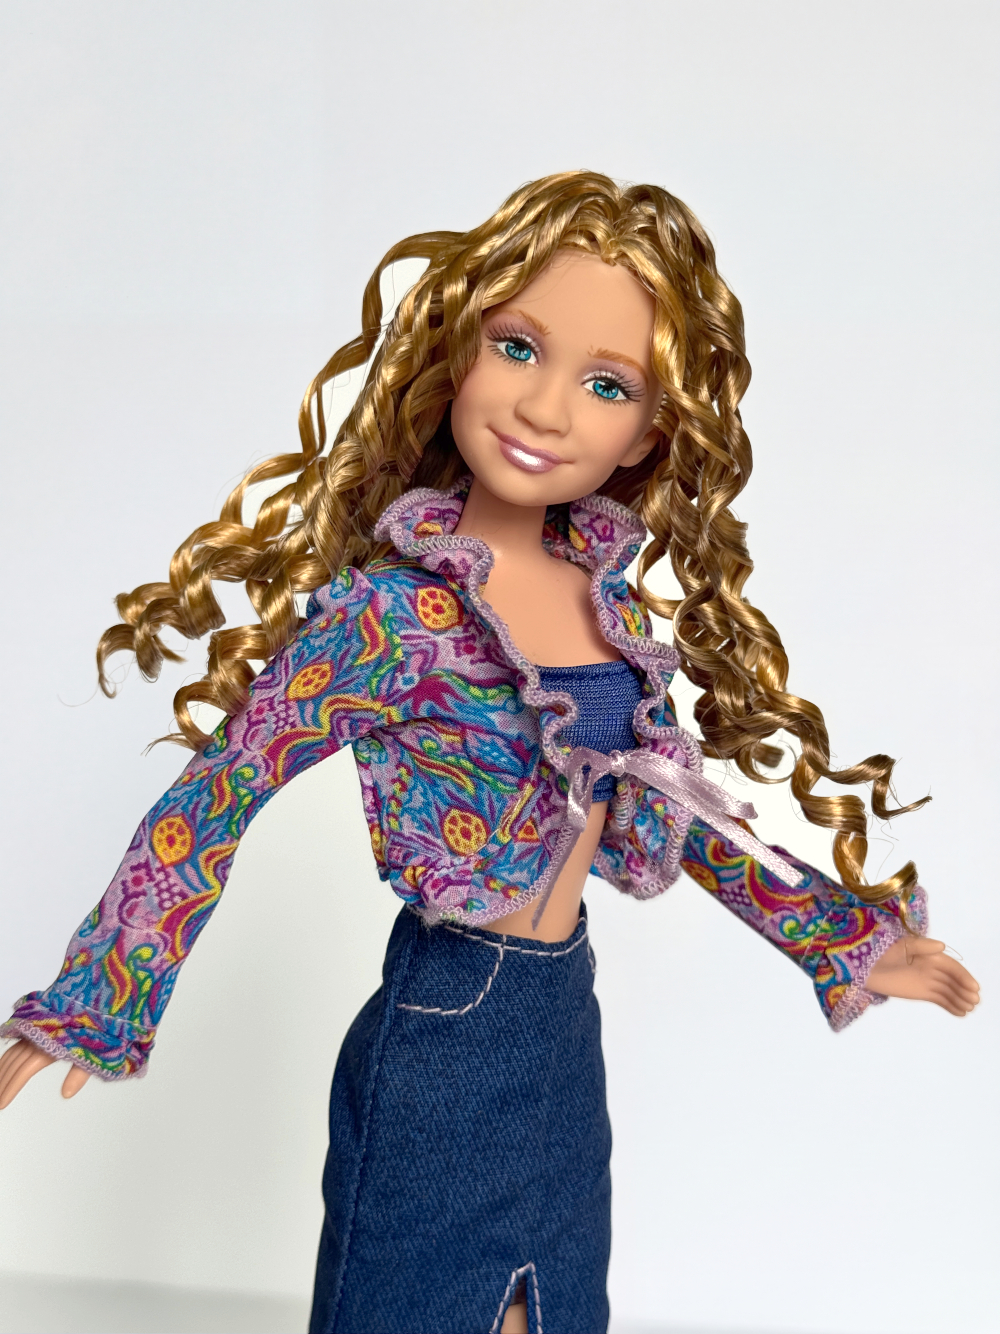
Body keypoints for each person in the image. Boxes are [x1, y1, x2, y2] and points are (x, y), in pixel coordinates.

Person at [0, 172, 980, 1334]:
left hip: (562, 1030)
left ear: (648, 431)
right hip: (443, 1027)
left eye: (606, 384)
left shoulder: (609, 605)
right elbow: (220, 790)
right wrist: (103, 990)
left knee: (551, 1309)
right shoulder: (390, 615)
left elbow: (670, 809)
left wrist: (840, 937)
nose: (547, 408)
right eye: (518, 347)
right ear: (456, 351)